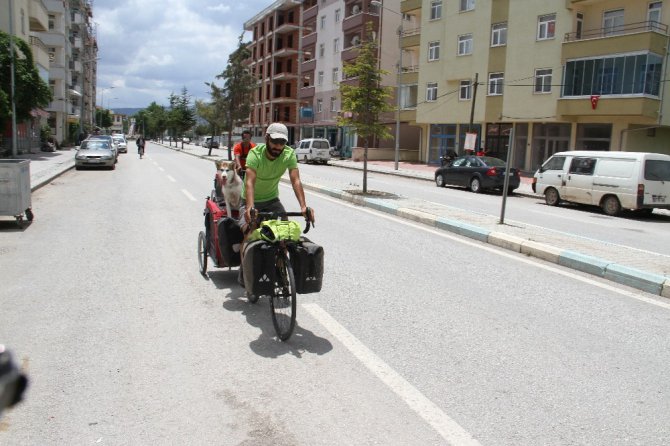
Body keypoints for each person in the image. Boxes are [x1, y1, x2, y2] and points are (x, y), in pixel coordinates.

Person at [238, 123, 315, 285]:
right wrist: (250, 207)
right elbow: (250, 182)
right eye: (275, 141)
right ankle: (244, 271)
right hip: (249, 200)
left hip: (272, 200)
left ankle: (280, 269)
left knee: (284, 233)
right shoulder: (255, 154)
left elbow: (296, 180)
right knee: (250, 233)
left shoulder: (288, 154)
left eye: (282, 142)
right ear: (267, 138)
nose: (278, 146)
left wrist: (303, 207)